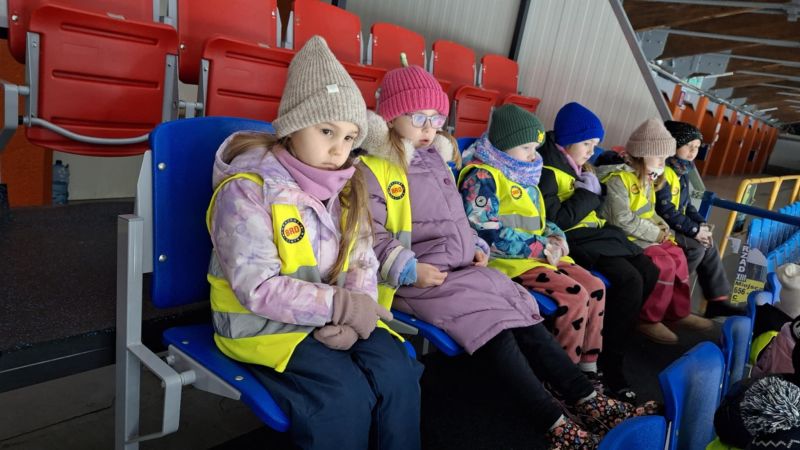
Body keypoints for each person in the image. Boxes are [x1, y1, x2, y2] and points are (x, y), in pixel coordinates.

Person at [360, 63, 651, 449]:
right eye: (418, 118)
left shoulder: (435, 160)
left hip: (460, 268)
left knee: (524, 313)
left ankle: (586, 399)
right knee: (494, 327)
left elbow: (458, 221)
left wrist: (476, 247)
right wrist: (410, 268)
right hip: (418, 279)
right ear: (391, 116)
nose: (429, 128)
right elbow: (370, 235)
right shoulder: (372, 168)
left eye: (436, 118)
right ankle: (554, 424)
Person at [206, 36, 423, 450]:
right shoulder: (247, 190)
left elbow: (362, 261)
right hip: (262, 326)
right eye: (326, 131)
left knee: (396, 372)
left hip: (331, 316)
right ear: (292, 126)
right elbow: (257, 287)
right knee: (341, 397)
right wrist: (339, 306)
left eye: (350, 137)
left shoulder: (348, 186)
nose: (339, 149)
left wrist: (355, 316)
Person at [459, 104, 607, 379]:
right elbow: (487, 234)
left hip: (538, 257)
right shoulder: (482, 176)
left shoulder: (523, 176)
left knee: (595, 287)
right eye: (526, 148)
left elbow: (541, 220)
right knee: (574, 295)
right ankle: (563, 378)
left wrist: (556, 236)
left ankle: (588, 367)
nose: (533, 155)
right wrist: (542, 247)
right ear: (504, 145)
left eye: (535, 148)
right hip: (507, 262)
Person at [538, 102, 660, 400]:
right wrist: (587, 194)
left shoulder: (576, 163)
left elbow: (590, 204)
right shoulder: (548, 169)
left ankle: (610, 337)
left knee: (649, 269)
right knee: (629, 280)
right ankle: (610, 361)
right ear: (568, 140)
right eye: (587, 143)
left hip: (596, 234)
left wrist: (592, 193)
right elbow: (558, 220)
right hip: (574, 239)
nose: (592, 151)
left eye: (595, 144)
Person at [597, 118, 714, 345]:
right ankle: (647, 318)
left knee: (678, 255)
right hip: (624, 237)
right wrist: (656, 234)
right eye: (659, 157)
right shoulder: (618, 180)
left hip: (643, 234)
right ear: (642, 154)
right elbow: (621, 220)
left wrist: (663, 227)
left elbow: (649, 211)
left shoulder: (646, 178)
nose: (663, 162)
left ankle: (676, 312)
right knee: (664, 262)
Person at [657, 120, 737, 318]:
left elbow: (687, 206)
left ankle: (717, 301)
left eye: (697, 147)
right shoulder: (663, 170)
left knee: (709, 244)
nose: (693, 152)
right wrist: (694, 231)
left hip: (675, 223)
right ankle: (667, 295)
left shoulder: (683, 170)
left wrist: (701, 224)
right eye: (688, 146)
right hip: (661, 225)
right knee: (696, 247)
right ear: (674, 144)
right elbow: (665, 210)